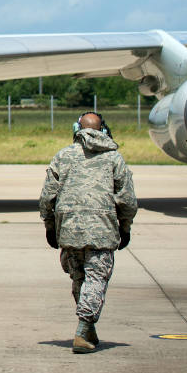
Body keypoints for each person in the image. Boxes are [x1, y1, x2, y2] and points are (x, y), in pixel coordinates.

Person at [39, 111, 138, 353]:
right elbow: (127, 200)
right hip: (102, 231)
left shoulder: (63, 156)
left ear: (77, 128)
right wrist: (125, 227)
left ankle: (88, 328)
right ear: (103, 130)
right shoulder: (114, 158)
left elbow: (47, 197)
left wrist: (50, 226)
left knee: (79, 279)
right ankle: (84, 327)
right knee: (95, 279)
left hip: (70, 231)